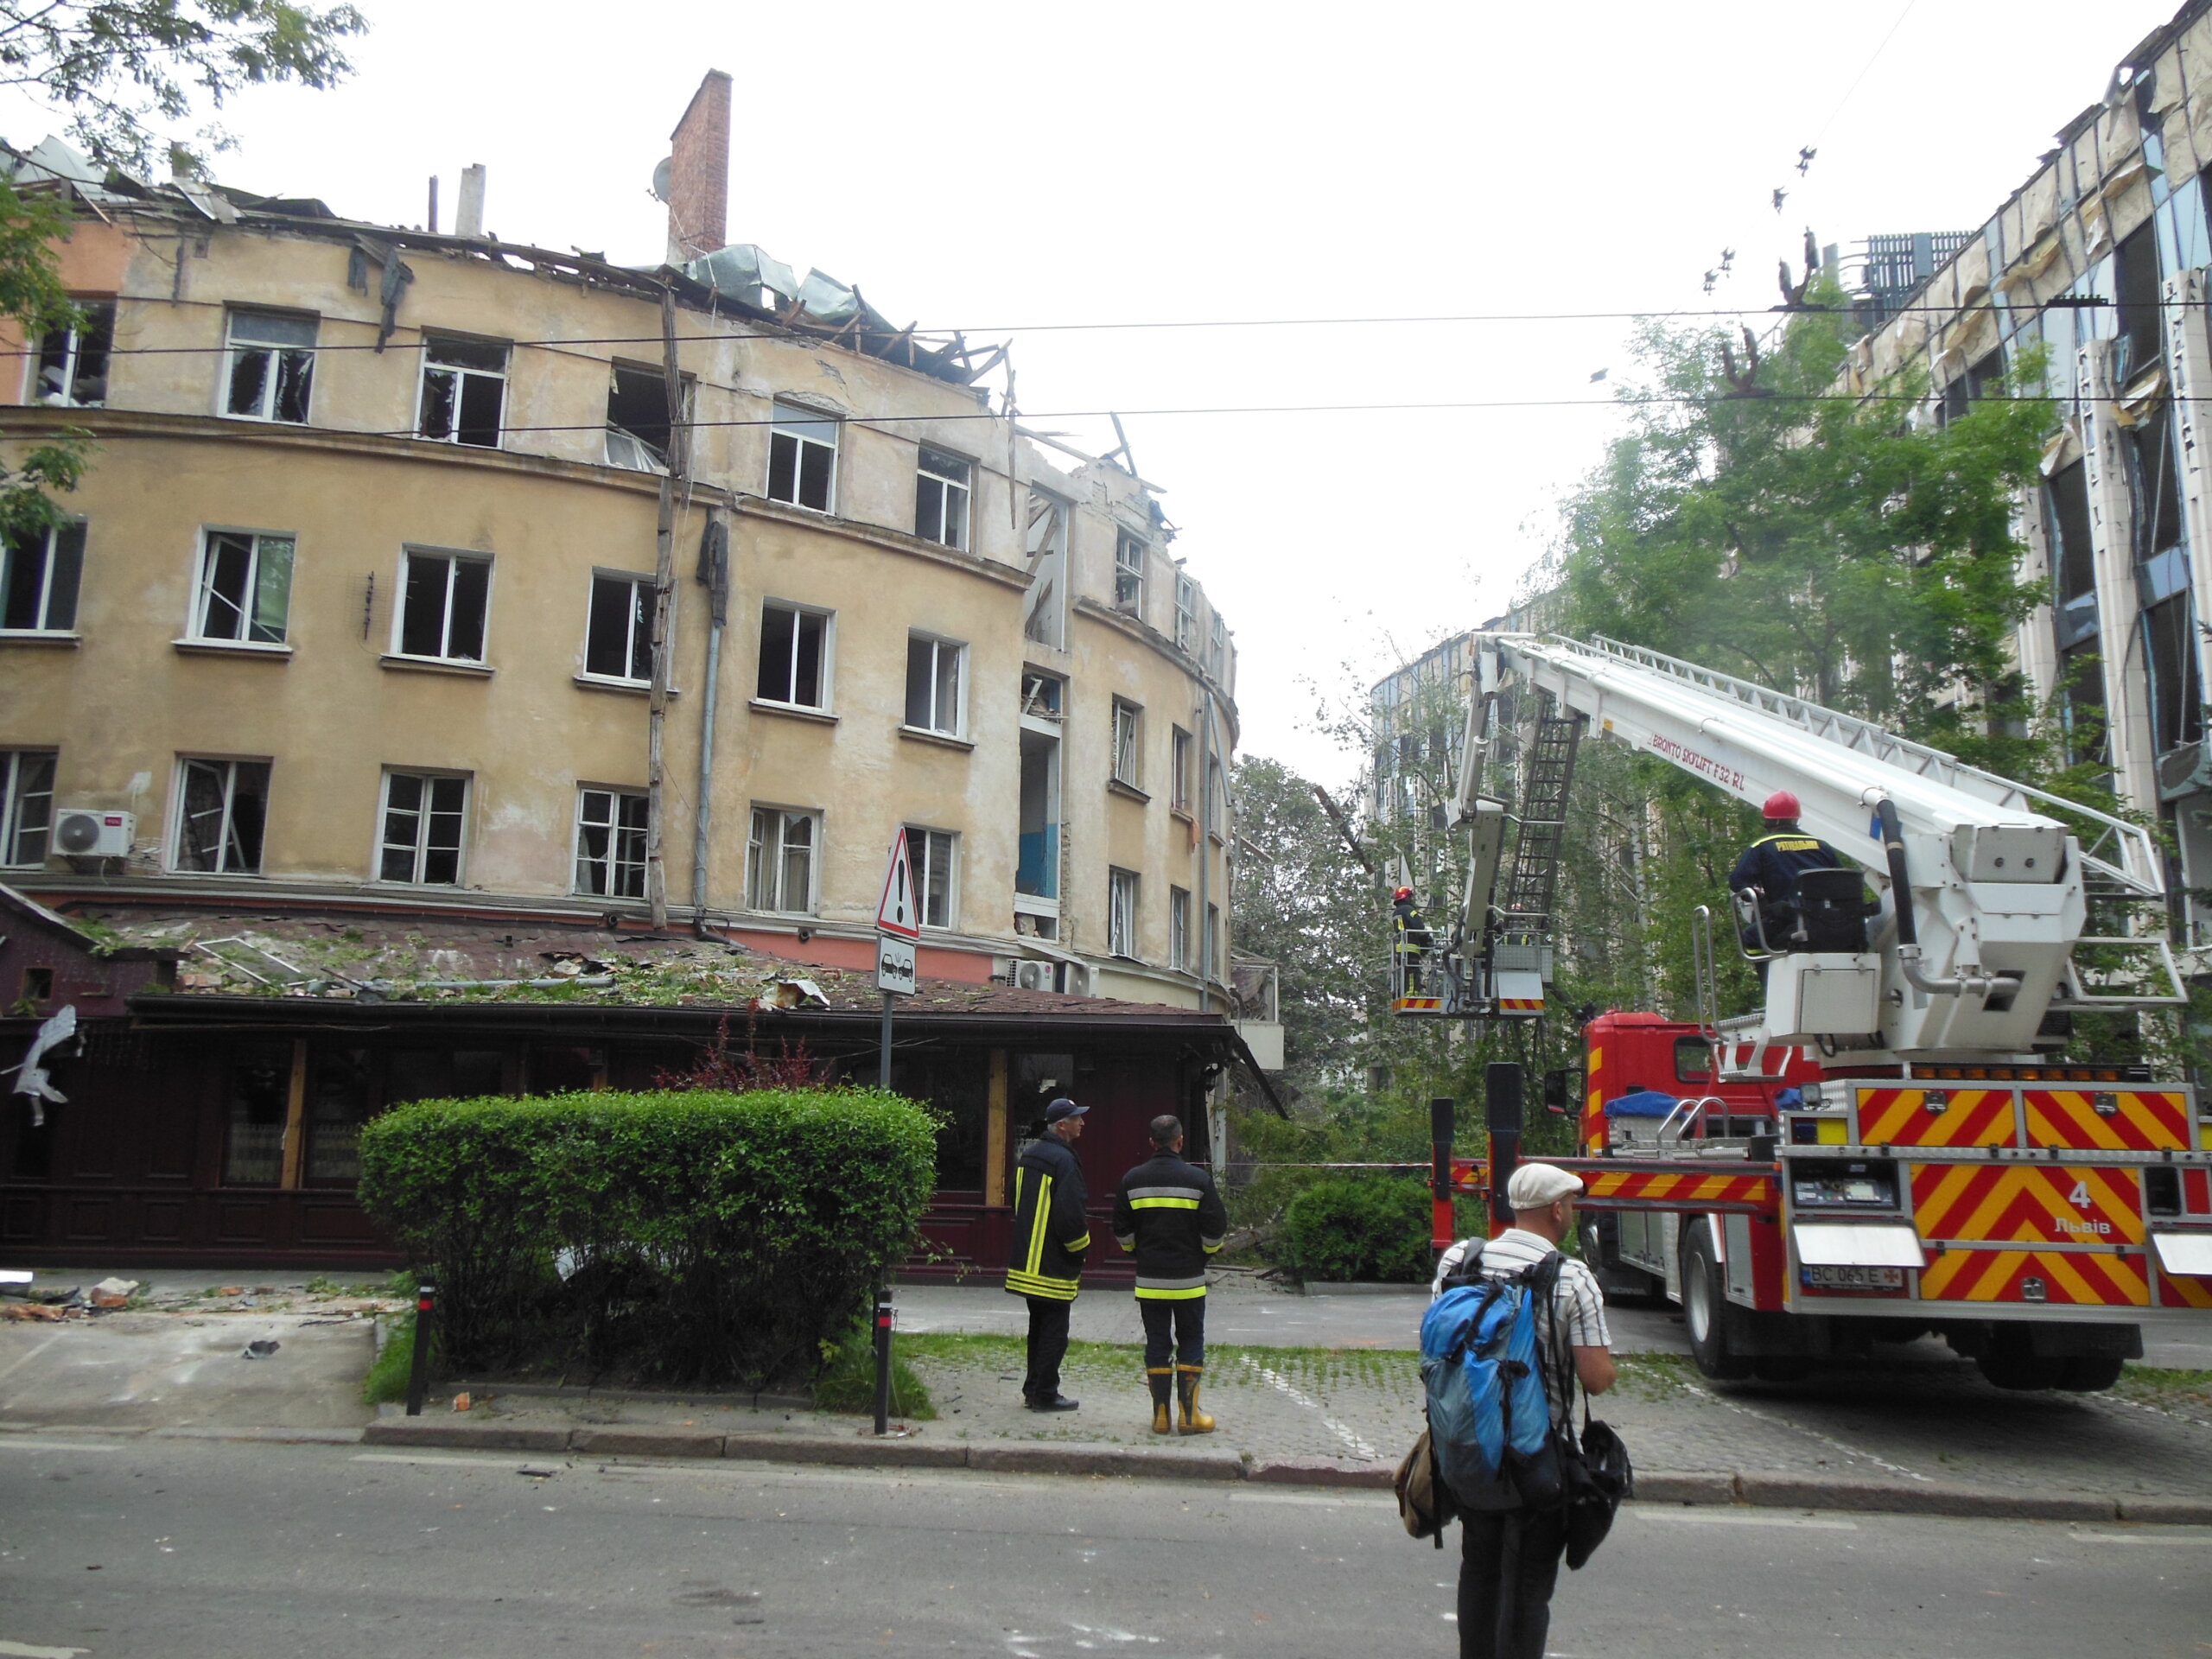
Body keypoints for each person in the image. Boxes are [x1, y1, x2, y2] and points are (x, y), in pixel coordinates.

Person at [1431, 1163, 1616, 1659]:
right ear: (1558, 1210)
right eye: (1571, 1205)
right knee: (1530, 1585)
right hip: (1539, 1457)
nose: (1572, 1212)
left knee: (1480, 1570)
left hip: (1469, 1449)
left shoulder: (1458, 1263)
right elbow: (1596, 1379)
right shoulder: (1571, 1278)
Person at [1111, 1114, 1231, 1434]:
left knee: (1157, 1342)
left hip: (1150, 1281)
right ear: (1180, 1141)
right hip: (1189, 1281)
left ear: (1151, 1143)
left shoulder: (1131, 1180)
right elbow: (1216, 1229)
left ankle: (1160, 1417)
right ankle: (1190, 1417)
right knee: (1191, 1339)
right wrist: (1203, 1255)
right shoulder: (1199, 1180)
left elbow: (1121, 1231)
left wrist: (1137, 1253)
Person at [1004, 1096, 1091, 1411]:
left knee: (1038, 1329)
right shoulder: (1064, 1161)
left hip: (1027, 1259)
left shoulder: (1029, 1154)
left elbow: (1015, 1199)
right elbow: (1070, 1215)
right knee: (1055, 1333)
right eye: (1076, 1118)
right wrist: (1081, 1248)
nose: (1082, 1123)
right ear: (1061, 1125)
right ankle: (1045, 1394)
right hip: (1053, 1264)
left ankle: (1032, 1388)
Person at [1727, 790, 1845, 955]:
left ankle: (1770, 976)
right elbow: (1842, 881)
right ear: (1796, 818)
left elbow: (1737, 882)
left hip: (1787, 921)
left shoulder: (1762, 847)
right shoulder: (1822, 846)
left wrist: (1754, 893)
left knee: (1750, 939)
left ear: (1770, 821)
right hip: (1829, 921)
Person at [1392, 885, 1433, 995]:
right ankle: (1412, 994)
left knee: (1405, 971)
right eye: (1410, 897)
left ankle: (1405, 992)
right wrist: (1426, 938)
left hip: (1401, 946)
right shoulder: (1408, 909)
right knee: (1412, 972)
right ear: (1406, 897)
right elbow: (1419, 926)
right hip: (1411, 946)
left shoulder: (1396, 912)